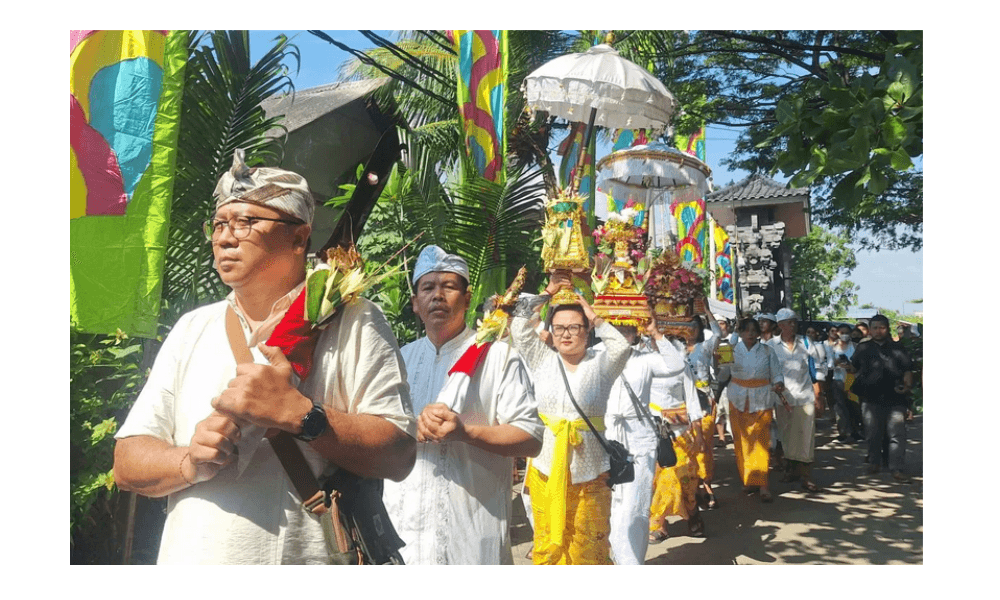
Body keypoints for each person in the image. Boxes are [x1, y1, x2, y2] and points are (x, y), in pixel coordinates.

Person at [113, 151, 416, 564]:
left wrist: (301, 416)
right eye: (219, 224)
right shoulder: (193, 327)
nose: (224, 236)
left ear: (298, 237)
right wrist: (187, 461)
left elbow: (399, 454)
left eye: (246, 222)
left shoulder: (356, 320)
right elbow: (127, 461)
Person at [382, 246, 544, 565]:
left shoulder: (499, 356)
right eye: (428, 287)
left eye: (450, 286)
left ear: (467, 299)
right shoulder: (398, 358)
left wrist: (465, 433)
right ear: (415, 303)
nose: (438, 295)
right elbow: (377, 430)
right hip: (402, 536)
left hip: (470, 537)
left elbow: (532, 437)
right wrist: (407, 428)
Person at [509, 271, 631, 564]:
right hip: (545, 469)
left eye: (574, 327)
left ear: (586, 331)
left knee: (589, 550)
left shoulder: (601, 365)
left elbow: (622, 346)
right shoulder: (542, 359)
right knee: (548, 547)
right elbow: (517, 326)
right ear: (550, 330)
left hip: (591, 474)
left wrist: (595, 316)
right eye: (559, 327)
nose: (565, 333)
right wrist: (547, 293)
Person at [603, 320, 687, 564]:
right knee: (610, 505)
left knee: (634, 506)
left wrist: (655, 332)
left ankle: (630, 563)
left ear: (635, 332)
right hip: (605, 435)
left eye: (627, 329)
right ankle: (613, 557)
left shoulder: (645, 359)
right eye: (615, 329)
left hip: (639, 437)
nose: (621, 334)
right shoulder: (594, 356)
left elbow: (676, 365)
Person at [647, 327, 705, 541]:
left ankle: (692, 513)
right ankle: (658, 523)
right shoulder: (645, 365)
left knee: (683, 479)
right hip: (653, 432)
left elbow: (692, 399)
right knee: (658, 479)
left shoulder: (682, 367)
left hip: (681, 433)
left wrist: (698, 433)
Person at [766, 308, 825, 493]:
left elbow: (816, 369)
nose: (793, 325)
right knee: (786, 435)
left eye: (794, 322)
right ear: (780, 325)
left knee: (806, 435)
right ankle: (791, 470)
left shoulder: (806, 342)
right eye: (788, 322)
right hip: (783, 399)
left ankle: (806, 475)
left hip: (805, 396)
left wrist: (818, 396)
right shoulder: (771, 345)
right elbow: (767, 370)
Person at [850, 314, 914, 482]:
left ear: (887, 329)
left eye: (882, 327)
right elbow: (853, 367)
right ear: (870, 330)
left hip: (895, 397)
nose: (878, 331)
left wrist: (907, 387)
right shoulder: (863, 348)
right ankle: (874, 463)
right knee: (872, 433)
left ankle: (897, 468)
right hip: (870, 398)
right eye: (875, 328)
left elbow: (908, 369)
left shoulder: (897, 348)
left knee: (896, 434)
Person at [727, 317, 784, 502]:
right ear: (740, 332)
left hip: (762, 399)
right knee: (742, 442)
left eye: (754, 330)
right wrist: (716, 358)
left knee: (760, 441)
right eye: (746, 330)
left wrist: (779, 384)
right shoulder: (732, 350)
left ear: (758, 333)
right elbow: (721, 371)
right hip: (738, 399)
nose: (750, 334)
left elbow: (776, 373)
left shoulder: (768, 351)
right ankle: (748, 478)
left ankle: (763, 484)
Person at [828, 324, 864, 442]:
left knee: (854, 406)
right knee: (840, 407)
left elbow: (861, 364)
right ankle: (843, 432)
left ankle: (856, 431)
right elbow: (828, 365)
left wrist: (852, 367)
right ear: (837, 333)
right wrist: (836, 363)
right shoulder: (832, 348)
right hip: (838, 379)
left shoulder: (856, 347)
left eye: (846, 332)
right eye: (841, 332)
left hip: (852, 380)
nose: (844, 335)